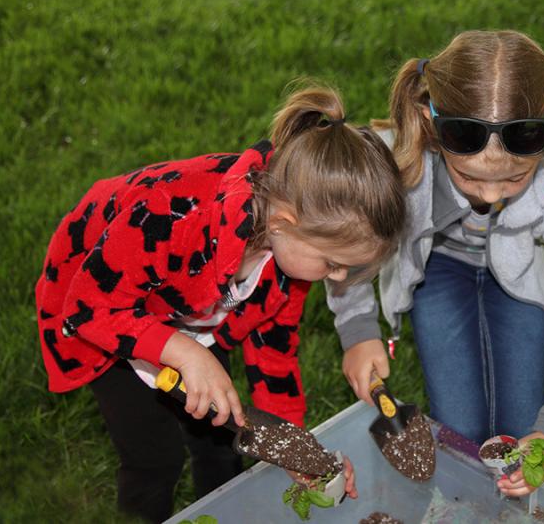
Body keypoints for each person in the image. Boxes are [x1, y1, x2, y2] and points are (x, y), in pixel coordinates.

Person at [35, 85, 406, 522]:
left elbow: (274, 357)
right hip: (107, 309)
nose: (338, 279)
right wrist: (183, 350)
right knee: (155, 457)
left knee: (220, 444)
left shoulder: (288, 256)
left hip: (187, 314)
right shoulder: (172, 217)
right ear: (285, 224)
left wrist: (296, 450)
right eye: (333, 263)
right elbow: (90, 307)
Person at [327, 30, 544, 497]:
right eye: (470, 177)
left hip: (520, 282)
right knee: (459, 431)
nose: (489, 196)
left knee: (522, 431)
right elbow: (342, 246)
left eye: (515, 178)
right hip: (440, 271)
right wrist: (358, 329)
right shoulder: (394, 164)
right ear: (430, 122)